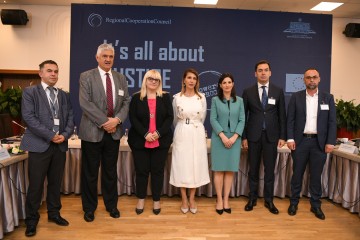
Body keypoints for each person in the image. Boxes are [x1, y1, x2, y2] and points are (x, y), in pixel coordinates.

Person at [20, 60, 74, 237]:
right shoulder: (30, 92)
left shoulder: (63, 95)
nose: (53, 74)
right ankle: (31, 220)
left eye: (56, 71)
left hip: (59, 146)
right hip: (39, 145)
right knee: (35, 186)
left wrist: (64, 135)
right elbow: (29, 117)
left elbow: (70, 118)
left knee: (55, 183)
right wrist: (50, 135)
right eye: (49, 71)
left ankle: (54, 214)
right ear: (40, 73)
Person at [78, 43, 130, 222]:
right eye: (105, 56)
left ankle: (111, 205)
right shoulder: (86, 76)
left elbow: (126, 103)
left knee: (110, 172)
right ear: (97, 57)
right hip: (92, 132)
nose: (108, 59)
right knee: (90, 173)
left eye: (111, 57)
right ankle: (89, 208)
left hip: (114, 133)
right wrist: (105, 122)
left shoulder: (121, 78)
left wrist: (116, 120)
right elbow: (85, 103)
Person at [287, 68, 336, 220]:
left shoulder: (328, 98)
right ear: (304, 80)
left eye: (314, 77)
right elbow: (290, 120)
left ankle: (316, 205)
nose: (312, 80)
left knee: (316, 176)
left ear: (319, 79)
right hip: (300, 142)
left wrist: (330, 141)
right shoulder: (296, 97)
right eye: (308, 77)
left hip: (319, 144)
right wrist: (290, 139)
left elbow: (332, 122)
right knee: (297, 175)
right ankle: (294, 203)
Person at [241, 60, 286, 214]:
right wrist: (244, 137)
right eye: (260, 70)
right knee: (252, 170)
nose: (263, 73)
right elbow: (243, 116)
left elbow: (282, 116)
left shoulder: (278, 91)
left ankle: (269, 200)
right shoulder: (248, 91)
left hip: (272, 137)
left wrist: (282, 136)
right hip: (253, 137)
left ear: (270, 72)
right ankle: (252, 198)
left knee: (269, 171)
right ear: (255, 73)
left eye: (266, 70)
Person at [128, 70, 173, 215]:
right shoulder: (136, 97)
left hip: (161, 141)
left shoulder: (165, 97)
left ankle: (156, 200)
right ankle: (141, 199)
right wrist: (145, 134)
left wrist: (158, 133)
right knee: (141, 172)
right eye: (150, 79)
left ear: (160, 82)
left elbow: (169, 118)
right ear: (145, 80)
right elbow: (133, 118)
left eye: (156, 80)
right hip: (140, 140)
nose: (153, 81)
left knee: (157, 172)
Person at [170, 68, 210, 214]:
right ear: (184, 80)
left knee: (195, 165)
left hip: (197, 132)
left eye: (194, 78)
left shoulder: (202, 98)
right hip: (182, 131)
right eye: (189, 78)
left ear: (197, 81)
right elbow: (175, 119)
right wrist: (183, 128)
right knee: (182, 165)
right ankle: (183, 199)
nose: (192, 80)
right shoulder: (177, 98)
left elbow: (203, 117)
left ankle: (192, 198)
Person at [210, 73, 245, 215]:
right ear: (220, 85)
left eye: (229, 82)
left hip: (235, 139)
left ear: (233, 84)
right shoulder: (215, 100)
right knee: (219, 170)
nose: (227, 85)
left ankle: (226, 200)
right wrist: (223, 136)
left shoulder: (240, 101)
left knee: (230, 170)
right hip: (219, 138)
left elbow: (242, 120)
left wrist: (235, 136)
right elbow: (213, 119)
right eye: (224, 82)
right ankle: (219, 200)